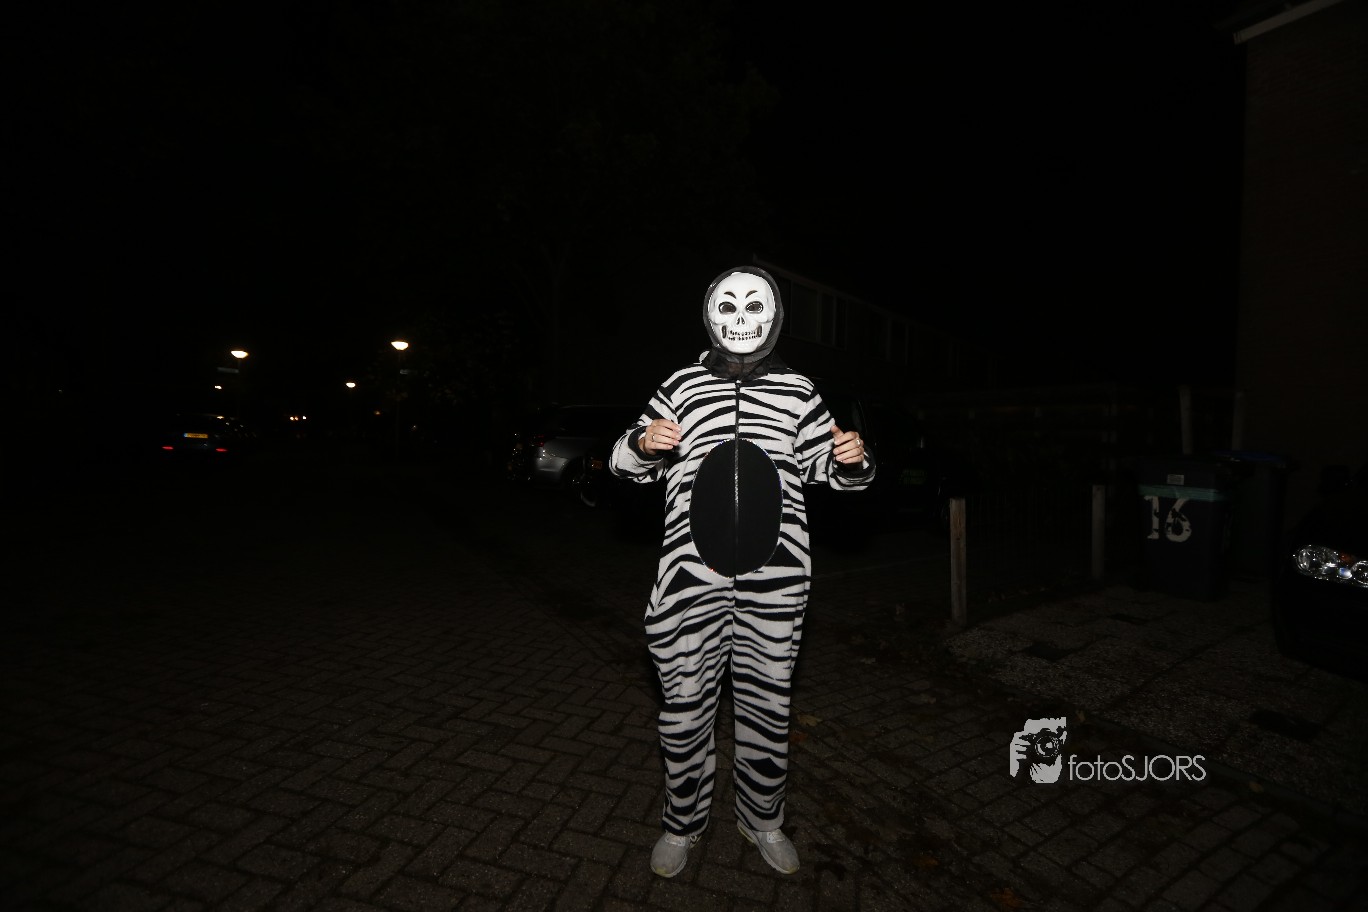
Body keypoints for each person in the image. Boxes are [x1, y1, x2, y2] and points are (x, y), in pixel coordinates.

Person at [609, 265, 875, 878]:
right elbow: (623, 463)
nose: (740, 318)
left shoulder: (799, 391)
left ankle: (762, 820)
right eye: (727, 306)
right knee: (683, 708)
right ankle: (682, 823)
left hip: (776, 582)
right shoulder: (681, 384)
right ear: (710, 315)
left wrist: (852, 460)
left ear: (774, 316)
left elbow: (833, 472)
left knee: (768, 707)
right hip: (688, 581)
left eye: (755, 306)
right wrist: (643, 444)